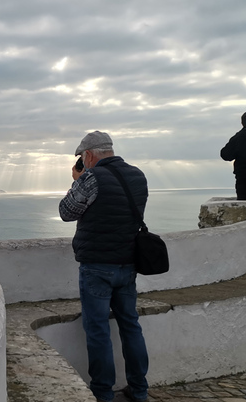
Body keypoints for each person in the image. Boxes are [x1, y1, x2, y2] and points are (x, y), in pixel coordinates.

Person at [59, 131, 149, 402]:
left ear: (88, 155)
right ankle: (139, 390)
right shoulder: (138, 175)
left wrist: (77, 181)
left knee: (98, 330)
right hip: (128, 263)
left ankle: (103, 394)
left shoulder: (91, 177)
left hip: (97, 266)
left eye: (82, 158)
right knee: (131, 326)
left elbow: (66, 212)